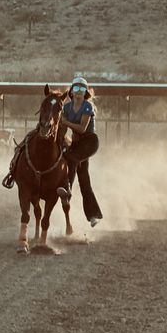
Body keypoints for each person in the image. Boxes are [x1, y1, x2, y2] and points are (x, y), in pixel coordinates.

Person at [57, 76, 103, 227]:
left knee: (71, 159)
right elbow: (61, 128)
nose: (78, 92)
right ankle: (93, 215)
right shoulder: (67, 108)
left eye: (81, 89)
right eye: (75, 89)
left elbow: (82, 129)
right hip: (77, 144)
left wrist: (66, 122)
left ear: (85, 93)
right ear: (71, 92)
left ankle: (67, 189)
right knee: (84, 180)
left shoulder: (87, 106)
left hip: (89, 142)